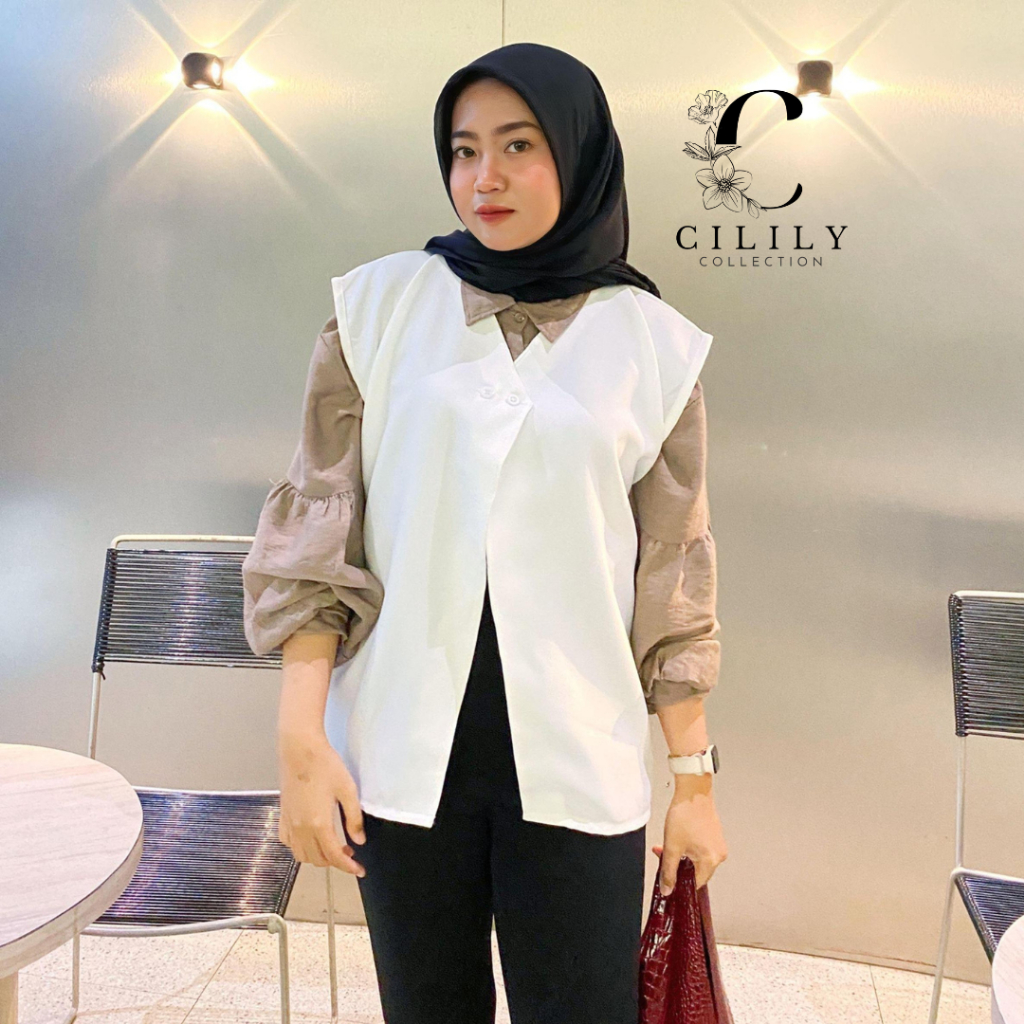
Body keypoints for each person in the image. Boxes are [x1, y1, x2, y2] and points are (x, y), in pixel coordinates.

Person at [242, 41, 727, 1024]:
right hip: (402, 747)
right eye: (464, 150)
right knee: (427, 1006)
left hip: (579, 743)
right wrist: (299, 739)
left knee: (584, 1008)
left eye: (518, 145)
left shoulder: (654, 345)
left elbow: (671, 578)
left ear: (580, 156)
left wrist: (693, 783)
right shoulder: (376, 308)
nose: (484, 178)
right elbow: (317, 538)